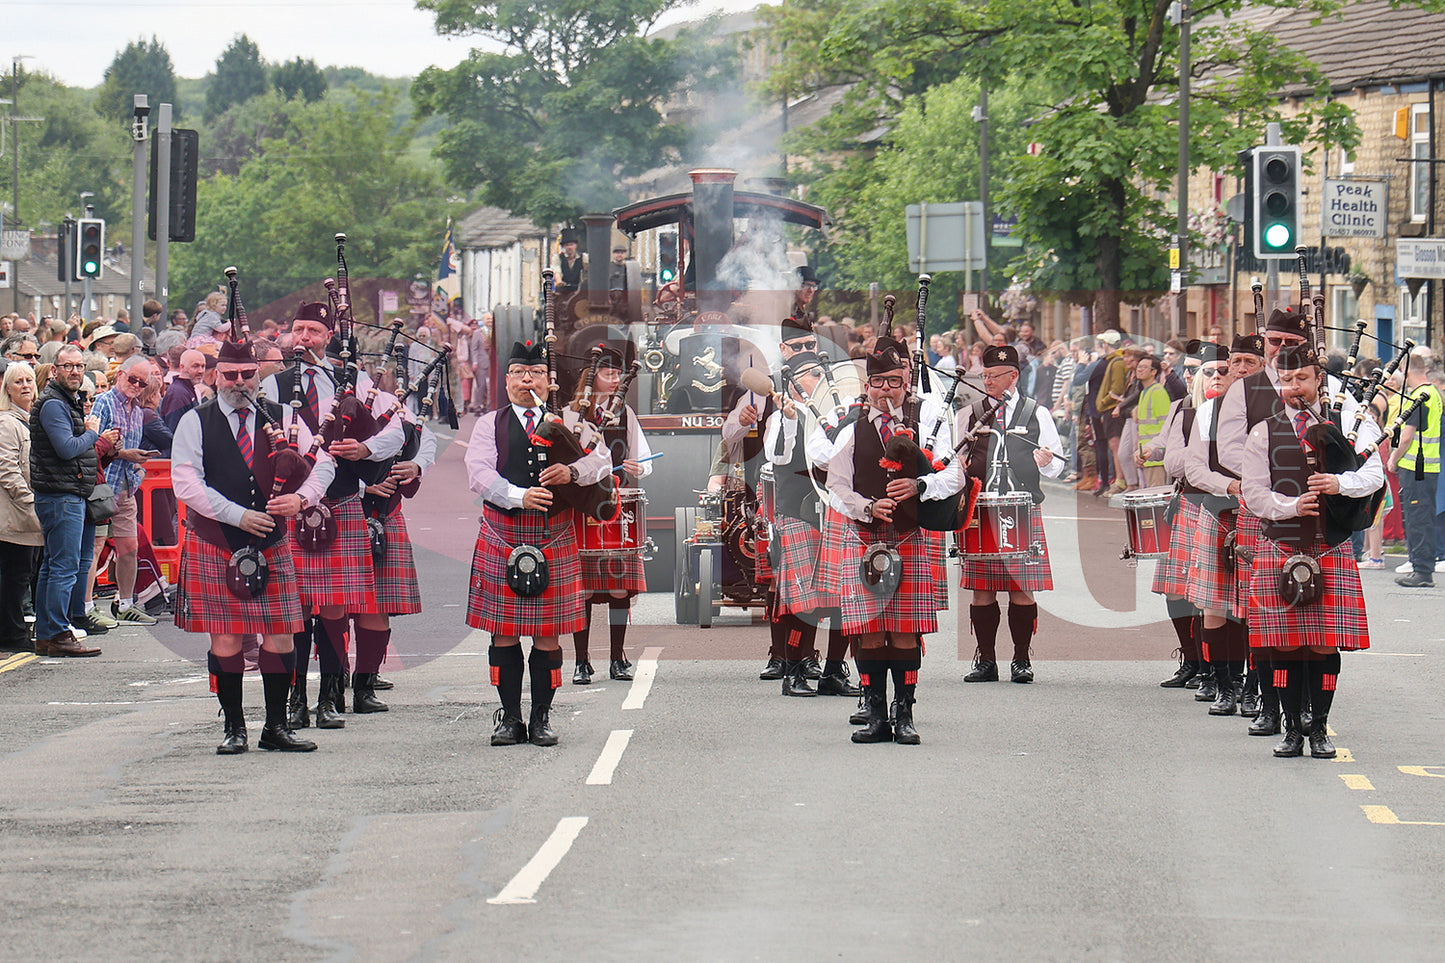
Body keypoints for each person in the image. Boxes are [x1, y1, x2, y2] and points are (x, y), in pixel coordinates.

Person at [172, 337, 334, 754]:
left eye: (247, 374)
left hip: (272, 541)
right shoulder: (195, 420)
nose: (239, 382)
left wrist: (302, 499)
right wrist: (236, 514)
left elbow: (325, 464)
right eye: (230, 374)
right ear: (216, 375)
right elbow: (186, 482)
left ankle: (276, 727)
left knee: (280, 636)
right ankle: (234, 728)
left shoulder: (284, 418)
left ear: (256, 375)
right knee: (225, 639)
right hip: (217, 540)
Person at [261, 301, 404, 729]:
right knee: (297, 608)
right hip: (292, 509)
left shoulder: (355, 381)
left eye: (313, 331)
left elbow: (395, 428)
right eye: (299, 330)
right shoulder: (274, 386)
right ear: (289, 334)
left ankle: (330, 698)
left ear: (328, 336)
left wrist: (364, 450)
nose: (304, 338)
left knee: (336, 609)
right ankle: (296, 699)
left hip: (341, 502)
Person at [464, 341, 611, 746]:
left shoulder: (570, 421)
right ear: (507, 379)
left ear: (548, 381)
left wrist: (572, 471)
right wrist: (518, 496)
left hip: (554, 534)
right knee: (504, 633)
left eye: (535, 374)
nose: (526, 380)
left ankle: (541, 718)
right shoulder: (488, 424)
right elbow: (477, 473)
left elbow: (602, 461)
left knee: (548, 634)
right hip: (503, 533)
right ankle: (509, 718)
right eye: (518, 373)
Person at [1241, 344, 1383, 758]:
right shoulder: (1263, 431)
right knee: (1284, 643)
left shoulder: (1351, 421)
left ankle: (1318, 729)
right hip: (1281, 543)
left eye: (1301, 378)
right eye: (1285, 381)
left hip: (1330, 546)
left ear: (1319, 379)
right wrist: (1290, 506)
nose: (1293, 387)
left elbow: (1373, 474)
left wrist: (1340, 484)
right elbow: (1253, 491)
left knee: (1323, 644)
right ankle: (1290, 730)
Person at [818, 338, 960, 744]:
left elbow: (955, 475)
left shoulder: (928, 419)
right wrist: (867, 508)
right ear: (867, 386)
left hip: (911, 535)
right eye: (877, 382)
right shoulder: (851, 429)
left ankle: (905, 713)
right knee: (868, 629)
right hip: (864, 536)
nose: (885, 390)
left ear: (906, 382)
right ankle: (876, 712)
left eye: (893, 381)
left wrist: (919, 484)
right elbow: (837, 485)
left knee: (903, 629)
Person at [950, 344, 1064, 684]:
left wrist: (1046, 462)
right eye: (983, 375)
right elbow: (954, 462)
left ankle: (1021, 659)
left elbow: (1057, 464)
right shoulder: (970, 413)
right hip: (981, 508)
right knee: (982, 590)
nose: (987, 381)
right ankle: (985, 660)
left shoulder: (1036, 413)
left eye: (993, 376)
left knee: (1021, 588)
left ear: (1013, 376)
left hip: (1022, 509)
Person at [763, 351, 858, 698]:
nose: (817, 379)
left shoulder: (838, 412)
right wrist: (789, 418)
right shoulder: (783, 417)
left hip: (836, 511)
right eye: (809, 374)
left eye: (820, 373)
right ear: (791, 382)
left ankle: (833, 670)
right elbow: (776, 456)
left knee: (842, 597)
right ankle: (794, 670)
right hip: (798, 511)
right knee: (804, 600)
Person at [1183, 334, 1265, 718]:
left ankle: (1252, 688)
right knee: (1214, 605)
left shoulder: (1273, 408)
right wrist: (1230, 485)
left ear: (1263, 367)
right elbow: (1194, 467)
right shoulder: (1207, 412)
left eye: (1251, 362)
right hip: (1219, 509)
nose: (1242, 369)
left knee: (1254, 606)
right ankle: (1224, 684)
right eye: (1237, 363)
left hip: (1261, 516)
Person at [562, 344, 652, 684]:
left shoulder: (626, 413)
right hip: (582, 507)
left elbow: (643, 460)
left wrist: (637, 467)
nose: (614, 380)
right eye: (608, 374)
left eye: (617, 375)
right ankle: (581, 661)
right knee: (582, 589)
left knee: (618, 589)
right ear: (592, 376)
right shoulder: (571, 415)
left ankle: (617, 658)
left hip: (615, 505)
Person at [29, 345, 110, 657]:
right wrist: (92, 432)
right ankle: (59, 633)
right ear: (54, 370)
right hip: (60, 496)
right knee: (64, 566)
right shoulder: (52, 404)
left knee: (54, 566)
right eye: (68, 366)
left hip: (62, 494)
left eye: (79, 366)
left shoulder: (62, 401)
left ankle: (49, 634)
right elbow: (66, 447)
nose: (75, 371)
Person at [1152, 342, 1224, 688]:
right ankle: (1191, 660)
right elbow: (1173, 461)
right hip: (1191, 503)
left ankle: (1216, 669)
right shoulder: (1184, 409)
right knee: (1177, 591)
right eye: (1198, 370)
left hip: (1227, 507)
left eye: (1211, 371)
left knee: (1215, 595)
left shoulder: (1238, 412)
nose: (1200, 376)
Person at [90, 356, 160, 626]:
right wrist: (125, 454)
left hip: (126, 487)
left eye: (142, 384)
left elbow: (132, 451)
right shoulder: (104, 402)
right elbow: (92, 445)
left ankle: (126, 603)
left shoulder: (138, 410)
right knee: (94, 548)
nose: (136, 386)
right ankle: (86, 606)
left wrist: (138, 470)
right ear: (120, 374)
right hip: (103, 486)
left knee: (129, 548)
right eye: (133, 379)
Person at [0, 362, 44, 651]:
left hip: (28, 515)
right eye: (18, 382)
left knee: (22, 576)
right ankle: (12, 635)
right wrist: (30, 502)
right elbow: (7, 469)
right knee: (14, 577)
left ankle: (16, 632)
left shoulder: (29, 421)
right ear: (7, 389)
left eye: (29, 380)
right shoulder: (6, 423)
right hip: (15, 514)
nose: (25, 385)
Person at [1388, 347, 1440, 588]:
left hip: (1415, 468)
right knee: (1424, 518)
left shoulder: (1419, 397)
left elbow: (1407, 436)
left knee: (1417, 520)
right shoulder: (1435, 393)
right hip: (1428, 469)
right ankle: (1422, 567)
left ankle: (1421, 571)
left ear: (1407, 373)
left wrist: (1393, 459)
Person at [1132, 354, 1172, 488]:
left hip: (1156, 458)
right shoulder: (1144, 392)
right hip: (1146, 456)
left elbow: (1166, 425)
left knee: (1157, 499)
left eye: (1144, 367)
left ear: (1154, 372)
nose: (1139, 370)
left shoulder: (1158, 392)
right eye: (1139, 367)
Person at [160, 349, 208, 430]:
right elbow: (174, 428)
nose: (201, 371)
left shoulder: (188, 390)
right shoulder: (178, 394)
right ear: (182, 367)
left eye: (203, 366)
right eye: (195, 366)